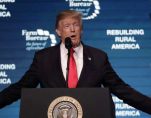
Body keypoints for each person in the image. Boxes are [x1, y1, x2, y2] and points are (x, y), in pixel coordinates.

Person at [0, 10, 151, 115]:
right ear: (58, 32)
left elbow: (121, 89)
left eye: (76, 25)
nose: (72, 29)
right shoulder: (43, 58)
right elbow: (20, 88)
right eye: (67, 26)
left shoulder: (98, 57)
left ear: (81, 30)